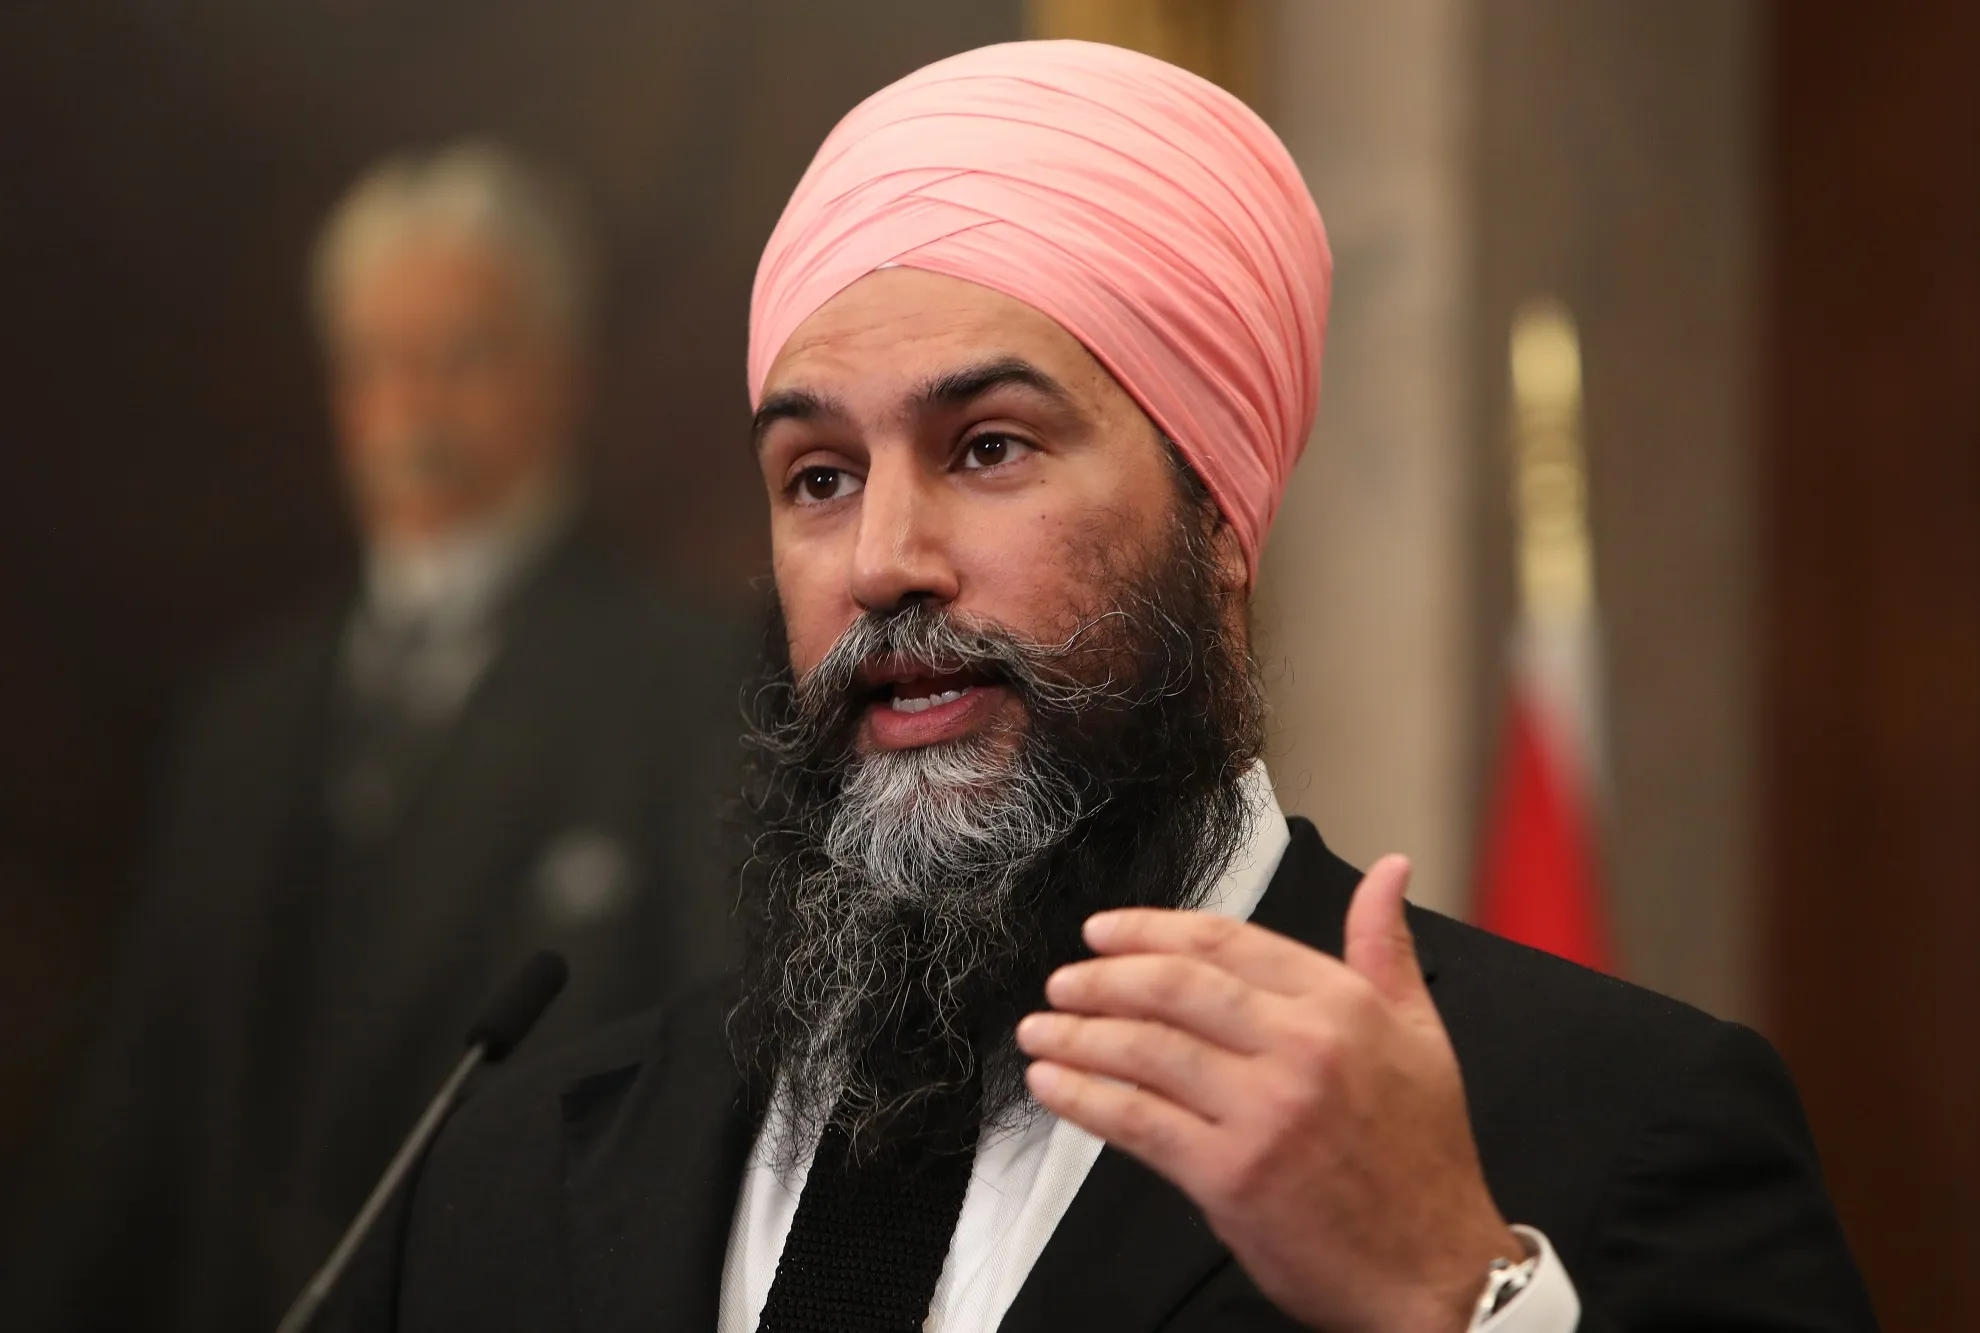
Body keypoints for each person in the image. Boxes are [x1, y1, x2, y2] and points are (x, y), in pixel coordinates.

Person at [368, 44, 1876, 1333]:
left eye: (988, 448)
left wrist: (1452, 1291)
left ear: (1217, 517)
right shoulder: (517, 1171)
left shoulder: (1603, 1125)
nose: (883, 561)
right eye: (818, 476)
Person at [2, 144, 744, 1332]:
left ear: (562, 372)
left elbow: (711, 1085)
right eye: (377, 362)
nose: (413, 407)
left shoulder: (688, 684)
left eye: (463, 356)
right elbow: (133, 1123)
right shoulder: (241, 723)